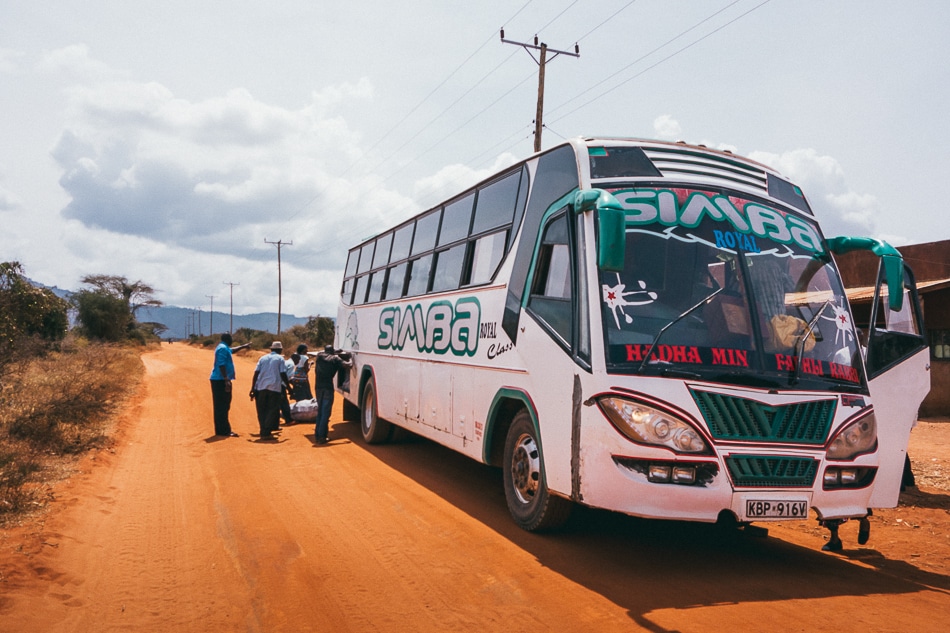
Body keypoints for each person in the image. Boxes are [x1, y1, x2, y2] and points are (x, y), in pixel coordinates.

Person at [209, 333, 249, 437]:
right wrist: (226, 379)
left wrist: (243, 346)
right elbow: (221, 364)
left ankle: (221, 430)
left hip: (219, 379)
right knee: (223, 405)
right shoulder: (222, 348)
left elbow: (232, 350)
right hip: (220, 380)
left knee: (221, 406)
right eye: (231, 338)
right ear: (227, 339)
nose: (232, 340)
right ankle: (224, 431)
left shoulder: (223, 347)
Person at [250, 341, 290, 440]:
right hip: (274, 388)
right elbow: (283, 374)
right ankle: (266, 432)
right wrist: (289, 387)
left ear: (271, 349)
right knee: (272, 409)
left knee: (261, 410)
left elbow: (256, 373)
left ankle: (263, 429)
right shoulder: (280, 358)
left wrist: (252, 388)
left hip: (260, 387)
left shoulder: (262, 358)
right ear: (280, 350)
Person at [312, 344, 351, 444]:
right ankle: (321, 437)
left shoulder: (319, 356)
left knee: (320, 411)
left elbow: (326, 354)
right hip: (328, 388)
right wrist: (350, 359)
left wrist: (335, 353)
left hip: (318, 388)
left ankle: (318, 435)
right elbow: (348, 365)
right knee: (326, 413)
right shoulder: (335, 359)